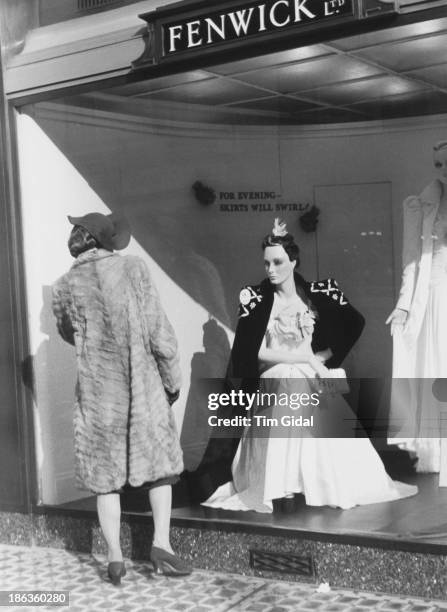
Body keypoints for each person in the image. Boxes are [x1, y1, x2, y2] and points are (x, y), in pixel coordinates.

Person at [203, 219, 417, 512]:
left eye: (278, 262)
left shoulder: (317, 293)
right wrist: (304, 359)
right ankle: (282, 482)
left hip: (309, 371)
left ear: (293, 261)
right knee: (290, 380)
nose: (271, 270)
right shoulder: (254, 298)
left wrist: (322, 358)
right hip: (275, 371)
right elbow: (255, 351)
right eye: (266, 263)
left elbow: (355, 323)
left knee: (311, 389)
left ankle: (320, 480)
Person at [52, 212, 191, 584]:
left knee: (105, 478)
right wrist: (171, 380)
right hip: (141, 386)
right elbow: (159, 331)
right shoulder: (134, 269)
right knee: (161, 468)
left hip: (99, 394)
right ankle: (161, 545)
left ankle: (115, 558)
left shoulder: (66, 285)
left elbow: (67, 331)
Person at [386, 141, 447, 478]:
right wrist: (403, 305)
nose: (444, 170)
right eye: (438, 164)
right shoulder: (420, 205)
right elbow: (411, 260)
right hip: (436, 298)